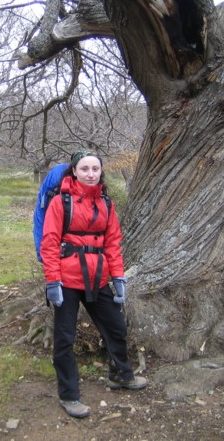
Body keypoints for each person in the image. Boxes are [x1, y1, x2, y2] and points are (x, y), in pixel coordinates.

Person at [40, 150, 147, 419]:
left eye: (95, 169)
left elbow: (113, 243)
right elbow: (50, 243)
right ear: (74, 171)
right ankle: (69, 395)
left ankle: (120, 375)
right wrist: (53, 281)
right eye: (85, 169)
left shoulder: (106, 204)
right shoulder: (60, 202)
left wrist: (118, 277)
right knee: (64, 338)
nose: (90, 174)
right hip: (67, 280)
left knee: (116, 326)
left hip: (98, 278)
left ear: (101, 172)